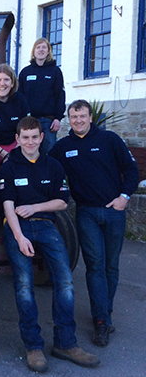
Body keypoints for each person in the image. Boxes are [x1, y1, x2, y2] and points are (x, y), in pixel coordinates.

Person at [0, 116, 100, 372]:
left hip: (46, 224)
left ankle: (65, 343)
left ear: (41, 138)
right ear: (17, 139)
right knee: (24, 284)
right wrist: (20, 238)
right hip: (16, 227)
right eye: (25, 137)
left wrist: (35, 206)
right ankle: (33, 346)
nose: (30, 141)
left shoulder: (53, 165)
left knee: (65, 280)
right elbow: (8, 204)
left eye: (35, 137)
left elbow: (62, 202)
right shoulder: (9, 166)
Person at [49, 100, 139, 347]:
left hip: (114, 212)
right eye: (73, 116)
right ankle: (101, 321)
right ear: (69, 118)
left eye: (82, 116)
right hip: (87, 213)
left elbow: (132, 170)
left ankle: (105, 314)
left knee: (112, 266)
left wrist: (124, 197)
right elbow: (46, 167)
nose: (78, 120)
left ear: (91, 117)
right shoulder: (63, 147)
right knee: (95, 266)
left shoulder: (109, 140)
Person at [18, 38, 65, 153]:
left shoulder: (55, 71)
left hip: (48, 122)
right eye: (38, 47)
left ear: (48, 51)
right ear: (34, 51)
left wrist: (58, 118)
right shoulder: (25, 72)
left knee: (49, 153)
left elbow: (60, 96)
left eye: (44, 47)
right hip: (29, 120)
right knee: (29, 152)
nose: (41, 50)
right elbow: (19, 97)